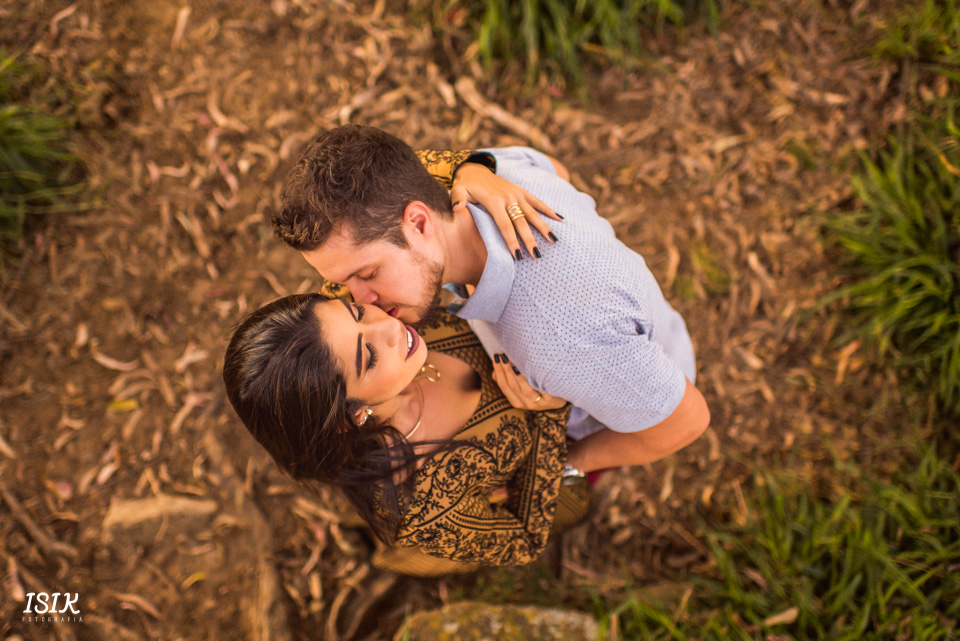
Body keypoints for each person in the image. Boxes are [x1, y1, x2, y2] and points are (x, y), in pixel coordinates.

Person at [273, 125, 710, 478]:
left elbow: (684, 423)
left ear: (419, 222)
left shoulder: (561, 343)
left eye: (367, 274)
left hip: (612, 399)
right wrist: (473, 171)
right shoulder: (496, 180)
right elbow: (555, 169)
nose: (363, 301)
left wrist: (563, 466)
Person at [222, 294, 584, 573]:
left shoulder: (365, 292)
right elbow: (523, 540)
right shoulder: (426, 511)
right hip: (571, 460)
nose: (390, 328)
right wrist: (551, 412)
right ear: (351, 417)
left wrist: (482, 191)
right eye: (370, 357)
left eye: (357, 312)